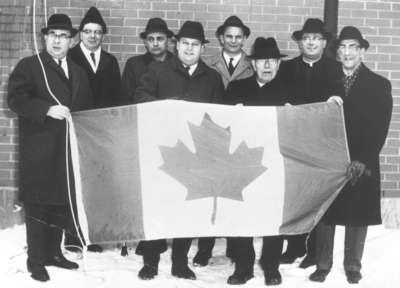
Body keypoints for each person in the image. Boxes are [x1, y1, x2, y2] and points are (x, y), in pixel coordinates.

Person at [134, 21, 224, 281]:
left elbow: (219, 117)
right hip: (162, 152)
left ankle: (179, 262)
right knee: (157, 206)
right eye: (184, 43)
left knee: (186, 210)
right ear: (176, 44)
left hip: (195, 156)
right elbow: (139, 97)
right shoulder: (158, 70)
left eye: (194, 44)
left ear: (201, 48)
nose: (189, 48)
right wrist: (165, 106)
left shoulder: (212, 77)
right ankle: (150, 261)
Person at [7, 14, 93, 282]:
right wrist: (46, 109)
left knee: (60, 202)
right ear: (45, 37)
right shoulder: (30, 66)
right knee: (38, 205)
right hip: (40, 150)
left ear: (71, 40)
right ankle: (36, 260)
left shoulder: (78, 71)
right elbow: (15, 100)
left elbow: (86, 108)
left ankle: (54, 254)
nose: (58, 40)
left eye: (63, 35)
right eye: (53, 35)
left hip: (67, 150)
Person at [309, 26, 392, 284]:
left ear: (362, 51)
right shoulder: (324, 83)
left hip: (362, 160)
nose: (346, 52)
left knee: (357, 214)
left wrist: (363, 159)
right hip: (330, 159)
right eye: (342, 47)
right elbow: (313, 119)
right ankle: (323, 264)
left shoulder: (379, 84)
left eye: (353, 47)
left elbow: (381, 127)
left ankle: (353, 266)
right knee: (326, 213)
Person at [223, 37, 288, 286]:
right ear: (253, 63)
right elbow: (222, 126)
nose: (268, 65)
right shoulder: (237, 88)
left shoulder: (289, 90)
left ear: (278, 64)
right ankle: (243, 266)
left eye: (272, 60)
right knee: (242, 214)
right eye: (262, 60)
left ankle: (271, 266)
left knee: (274, 216)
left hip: (275, 163)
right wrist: (233, 115)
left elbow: (301, 124)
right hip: (242, 163)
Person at [278, 18, 342, 269]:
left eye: (316, 38)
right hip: (294, 142)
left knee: (318, 195)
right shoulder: (287, 68)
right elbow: (280, 97)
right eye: (306, 38)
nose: (311, 42)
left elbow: (340, 102)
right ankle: (294, 246)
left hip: (322, 144)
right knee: (295, 195)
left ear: (324, 42)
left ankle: (315, 252)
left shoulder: (335, 69)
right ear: (300, 42)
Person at [194, 14, 254, 268]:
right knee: (211, 192)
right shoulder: (208, 65)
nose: (233, 41)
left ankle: (236, 248)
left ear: (244, 39)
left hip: (241, 137)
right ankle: (204, 248)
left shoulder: (254, 66)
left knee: (236, 192)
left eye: (238, 37)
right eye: (228, 36)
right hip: (212, 135)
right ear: (220, 38)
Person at [66, 6, 122, 254]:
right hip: (76, 129)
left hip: (102, 132)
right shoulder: (69, 57)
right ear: (80, 33)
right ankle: (74, 235)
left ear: (103, 35)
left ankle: (95, 234)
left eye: (98, 32)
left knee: (98, 182)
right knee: (75, 180)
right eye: (87, 31)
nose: (92, 36)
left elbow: (117, 98)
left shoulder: (110, 61)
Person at [121, 17, 174, 104]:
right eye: (151, 39)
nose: (155, 43)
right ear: (145, 42)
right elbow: (125, 100)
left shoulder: (177, 64)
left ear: (167, 41)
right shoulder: (133, 64)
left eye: (160, 39)